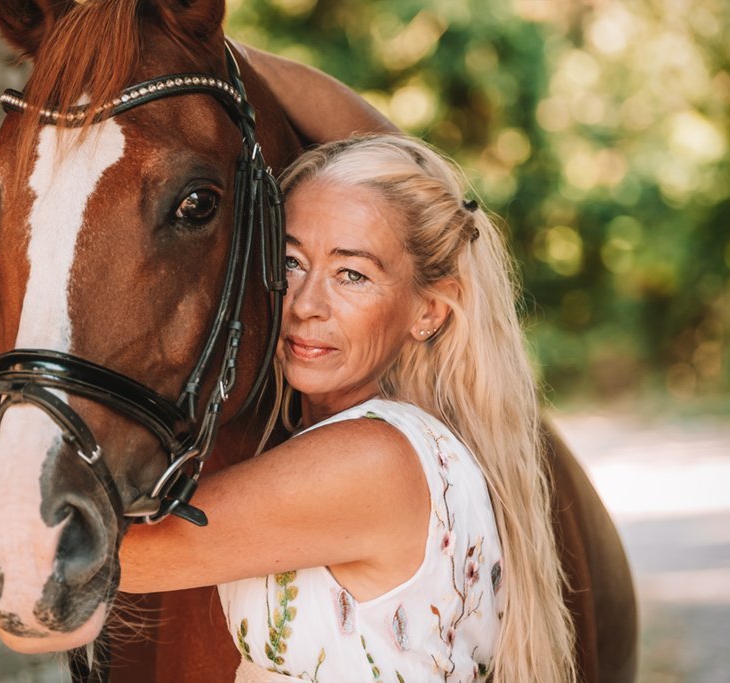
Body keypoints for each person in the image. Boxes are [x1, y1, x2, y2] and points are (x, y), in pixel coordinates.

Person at [120, 135, 576, 683]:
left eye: (352, 274)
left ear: (427, 310)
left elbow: (115, 555)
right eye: (290, 262)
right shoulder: (422, 446)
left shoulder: (373, 458)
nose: (307, 304)